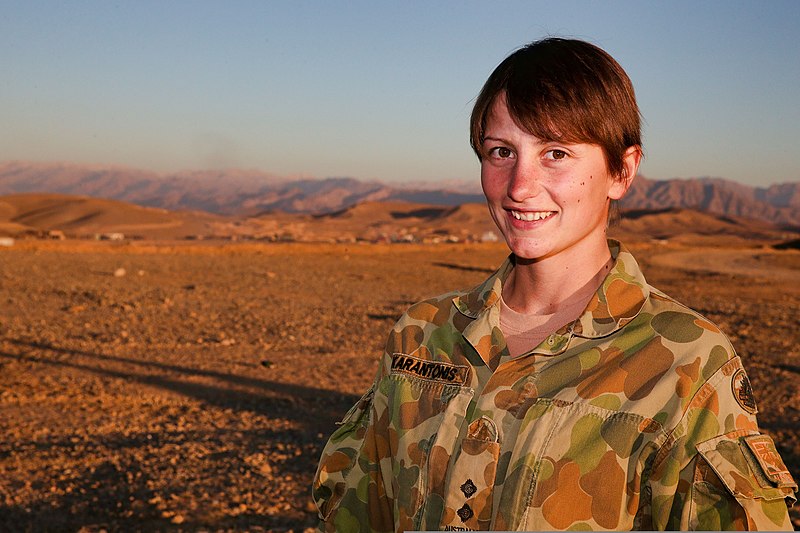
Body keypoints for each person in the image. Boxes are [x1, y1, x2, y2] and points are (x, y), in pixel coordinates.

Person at [312, 37, 797, 531]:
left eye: (556, 153)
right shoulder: (421, 334)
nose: (519, 186)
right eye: (501, 151)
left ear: (622, 171)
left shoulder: (686, 364)